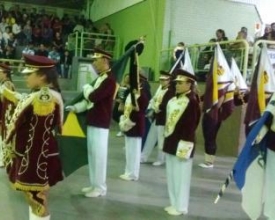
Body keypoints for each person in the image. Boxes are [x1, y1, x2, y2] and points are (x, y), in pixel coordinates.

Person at [4, 54, 64, 220]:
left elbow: (40, 136)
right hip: (33, 155)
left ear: (42, 76)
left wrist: (31, 166)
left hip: (37, 157)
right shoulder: (40, 94)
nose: (25, 77)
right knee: (34, 200)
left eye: (28, 74)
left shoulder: (43, 98)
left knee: (38, 201)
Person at [65, 48, 116, 197]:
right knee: (93, 155)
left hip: (101, 123)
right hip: (93, 121)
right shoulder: (101, 79)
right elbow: (89, 102)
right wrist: (76, 107)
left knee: (99, 156)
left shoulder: (110, 81)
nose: (94, 62)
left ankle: (100, 187)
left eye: (96, 60)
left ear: (105, 60)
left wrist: (86, 87)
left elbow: (93, 97)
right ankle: (94, 184)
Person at [163, 69, 201, 216]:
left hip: (183, 143)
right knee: (172, 175)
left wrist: (185, 146)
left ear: (189, 84)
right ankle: (174, 203)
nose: (177, 85)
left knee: (182, 177)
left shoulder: (191, 101)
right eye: (176, 83)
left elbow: (192, 124)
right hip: (171, 141)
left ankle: (181, 206)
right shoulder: (173, 100)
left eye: (180, 83)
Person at [140, 70, 174, 166]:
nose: (162, 82)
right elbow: (153, 100)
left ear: (169, 80)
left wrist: (155, 107)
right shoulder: (161, 89)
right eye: (160, 80)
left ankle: (161, 159)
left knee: (161, 139)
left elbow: (164, 106)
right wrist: (152, 108)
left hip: (163, 119)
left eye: (164, 80)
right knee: (150, 138)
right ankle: (143, 156)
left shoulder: (170, 91)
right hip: (156, 118)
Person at [119, 78, 149, 181]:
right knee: (129, 151)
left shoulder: (142, 95)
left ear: (139, 83)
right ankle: (128, 171)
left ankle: (133, 174)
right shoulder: (131, 94)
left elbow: (139, 113)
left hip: (135, 126)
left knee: (134, 152)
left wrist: (128, 123)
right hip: (128, 124)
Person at [0, 63, 15, 167]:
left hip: (5, 112)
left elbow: (6, 100)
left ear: (5, 73)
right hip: (2, 112)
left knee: (3, 135)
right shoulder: (3, 83)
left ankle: (3, 159)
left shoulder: (7, 84)